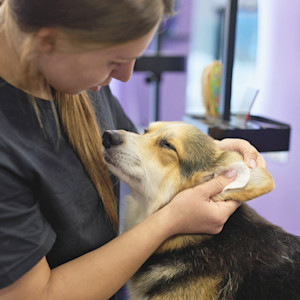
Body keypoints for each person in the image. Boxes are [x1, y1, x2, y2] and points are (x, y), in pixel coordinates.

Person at [0, 0, 266, 299]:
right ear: (48, 40)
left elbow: (143, 151)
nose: (126, 76)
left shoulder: (78, 82)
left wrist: (210, 153)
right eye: (114, 60)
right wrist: (169, 221)